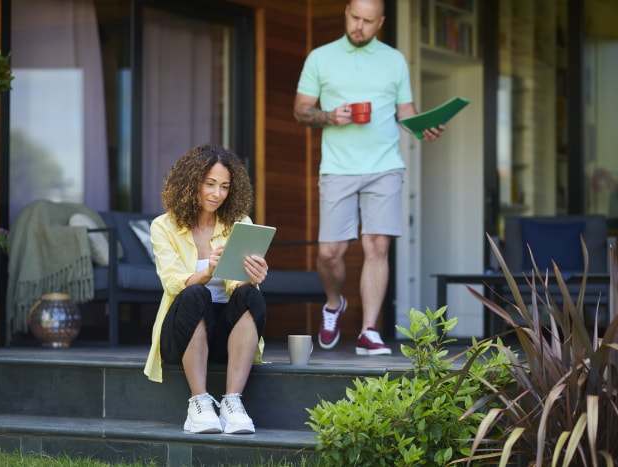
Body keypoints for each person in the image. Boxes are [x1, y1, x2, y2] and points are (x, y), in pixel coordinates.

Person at [293, 0, 444, 355]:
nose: (359, 26)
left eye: (368, 21)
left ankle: (368, 331)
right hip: (337, 167)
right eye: (355, 18)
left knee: (376, 245)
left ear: (381, 23)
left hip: (384, 166)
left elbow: (405, 112)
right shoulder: (320, 57)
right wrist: (329, 116)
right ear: (346, 13)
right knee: (330, 253)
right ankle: (334, 304)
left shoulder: (394, 60)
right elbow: (301, 110)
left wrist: (423, 127)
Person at [143, 143, 268, 435]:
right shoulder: (164, 226)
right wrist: (208, 272)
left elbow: (238, 285)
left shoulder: (239, 223)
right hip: (183, 331)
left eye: (224, 186)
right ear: (191, 183)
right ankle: (198, 403)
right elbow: (171, 281)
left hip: (226, 334)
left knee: (251, 295)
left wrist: (253, 277)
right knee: (195, 293)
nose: (217, 194)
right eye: (209, 184)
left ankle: (232, 403)